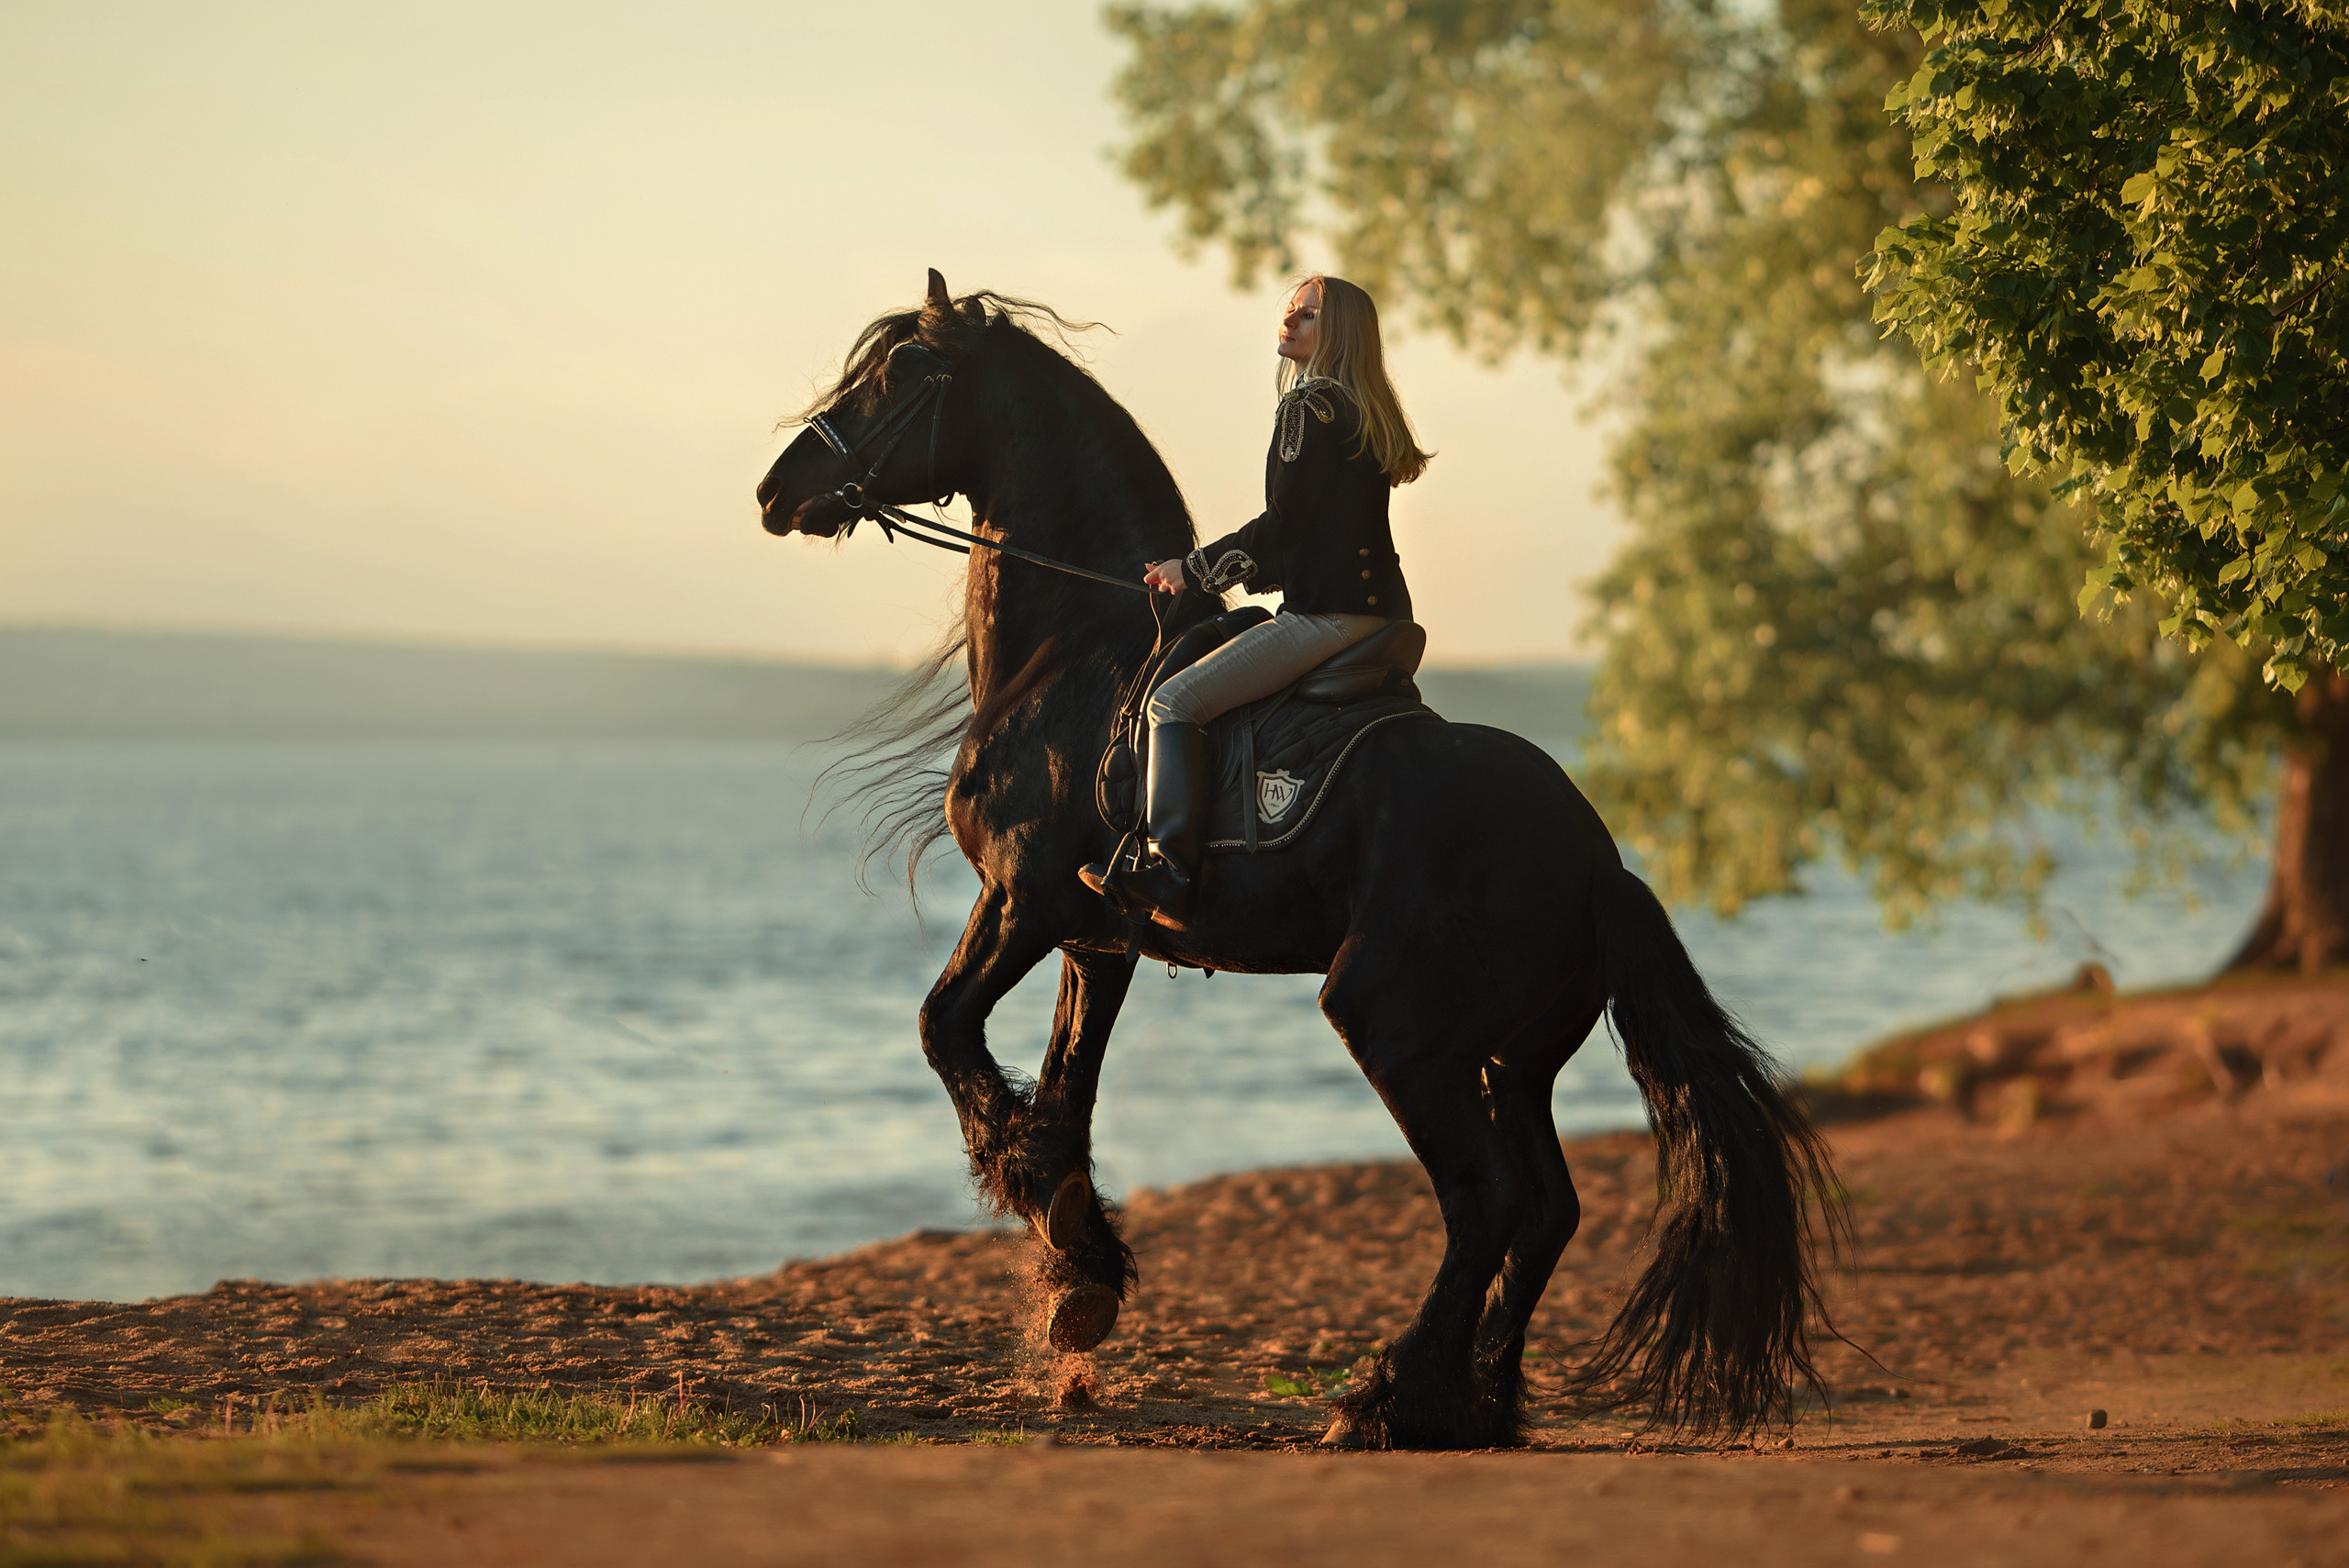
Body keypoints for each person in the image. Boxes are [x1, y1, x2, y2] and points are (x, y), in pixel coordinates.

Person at [1081, 274, 1432, 921]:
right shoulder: (1362, 411)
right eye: (1290, 311)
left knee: (1172, 702)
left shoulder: (1307, 406)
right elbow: (1313, 531)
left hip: (1326, 617)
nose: (1290, 321)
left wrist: (1193, 570)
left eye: (1308, 315)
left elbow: (1283, 526)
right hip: (1383, 614)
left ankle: (1170, 872)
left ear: (1341, 333)